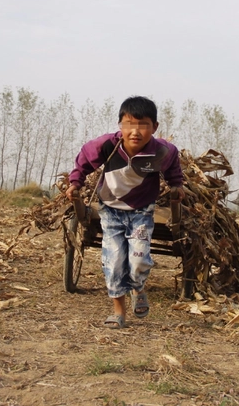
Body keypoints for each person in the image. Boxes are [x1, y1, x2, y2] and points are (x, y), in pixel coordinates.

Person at [66, 96, 185, 329]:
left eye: (143, 125)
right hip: (110, 212)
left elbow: (173, 167)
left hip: (142, 211)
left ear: (155, 127)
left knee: (139, 259)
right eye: (129, 124)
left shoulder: (162, 151)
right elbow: (84, 161)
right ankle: (118, 312)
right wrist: (75, 182)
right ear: (120, 125)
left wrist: (176, 184)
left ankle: (138, 287)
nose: (136, 131)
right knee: (113, 262)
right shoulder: (107, 145)